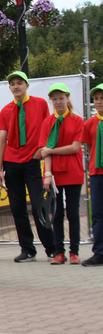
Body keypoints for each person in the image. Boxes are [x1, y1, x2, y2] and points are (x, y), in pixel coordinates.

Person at [0, 71, 54, 262]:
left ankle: (51, 248)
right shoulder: (5, 110)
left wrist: (41, 151)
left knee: (39, 207)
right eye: (12, 84)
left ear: (27, 85)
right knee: (17, 208)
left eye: (20, 83)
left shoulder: (40, 104)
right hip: (12, 163)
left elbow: (48, 129)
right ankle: (27, 249)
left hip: (32, 161)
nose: (16, 87)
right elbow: (2, 140)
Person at [39, 83, 84, 265]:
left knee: (72, 214)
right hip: (55, 174)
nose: (58, 102)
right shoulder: (48, 123)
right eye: (55, 99)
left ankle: (74, 252)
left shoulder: (77, 120)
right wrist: (47, 174)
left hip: (73, 172)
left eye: (61, 98)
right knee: (56, 214)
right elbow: (44, 151)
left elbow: (74, 147)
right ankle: (59, 252)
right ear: (51, 101)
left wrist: (51, 150)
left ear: (67, 98)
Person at [80, 84, 103, 266]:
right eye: (96, 98)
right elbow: (89, 147)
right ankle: (100, 252)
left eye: (102, 98)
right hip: (97, 173)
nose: (99, 102)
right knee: (97, 213)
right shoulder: (89, 124)